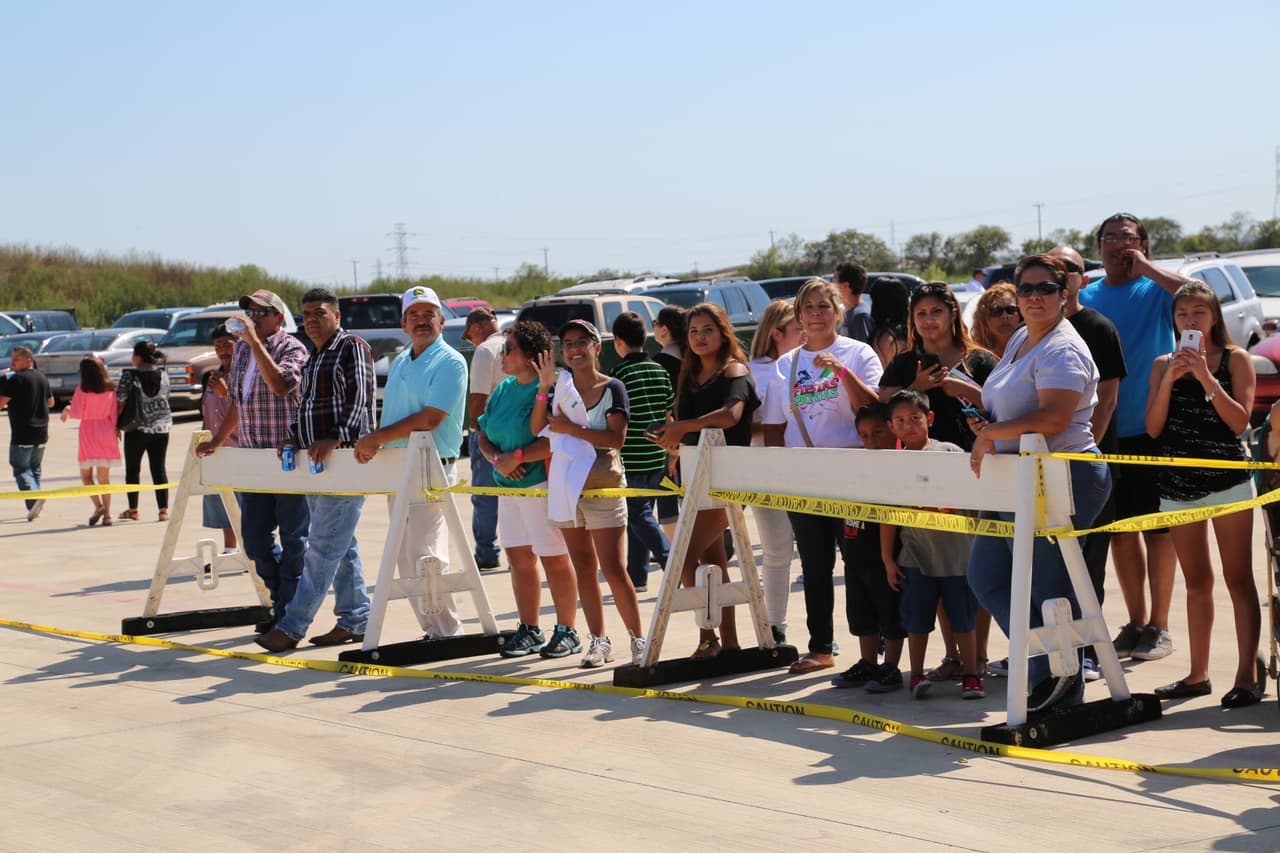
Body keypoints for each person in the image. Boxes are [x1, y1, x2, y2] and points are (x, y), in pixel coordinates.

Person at [967, 253, 1112, 713]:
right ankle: (1046, 667)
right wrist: (988, 423)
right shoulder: (1020, 340)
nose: (1033, 297)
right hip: (1018, 476)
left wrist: (993, 432)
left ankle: (1066, 686)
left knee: (1049, 589)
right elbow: (1014, 408)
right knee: (987, 576)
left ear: (1064, 293)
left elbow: (1054, 417)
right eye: (1025, 289)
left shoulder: (1062, 347)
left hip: (1062, 475)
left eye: (1044, 288)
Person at [1079, 213, 1194, 663]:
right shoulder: (1088, 295)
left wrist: (1144, 266)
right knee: (1122, 533)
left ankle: (1161, 625)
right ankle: (1137, 620)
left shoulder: (1154, 289)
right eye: (1110, 238)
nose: (1118, 246)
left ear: (1143, 243)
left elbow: (1193, 295)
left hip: (1151, 427)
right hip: (1104, 430)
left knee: (1157, 531)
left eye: (1127, 238)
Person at [1145, 281, 1262, 707]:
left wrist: (1207, 378)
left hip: (1228, 482)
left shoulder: (1237, 359)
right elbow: (1154, 427)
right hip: (1178, 486)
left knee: (1238, 579)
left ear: (1214, 317)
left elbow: (1239, 422)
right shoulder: (1162, 364)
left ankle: (1247, 674)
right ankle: (1198, 674)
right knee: (1196, 582)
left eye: (1198, 312)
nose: (1190, 321)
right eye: (1182, 314)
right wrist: (1171, 379)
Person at [877, 281, 996, 681]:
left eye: (936, 312)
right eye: (921, 314)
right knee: (940, 568)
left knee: (974, 569)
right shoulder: (904, 362)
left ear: (952, 315)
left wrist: (964, 387)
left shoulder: (979, 360)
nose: (929, 321)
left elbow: (1002, 403)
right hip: (923, 479)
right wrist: (917, 388)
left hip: (974, 470)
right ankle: (953, 658)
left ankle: (976, 659)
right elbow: (884, 403)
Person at [762, 277, 882, 674]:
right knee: (814, 565)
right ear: (799, 316)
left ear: (838, 311)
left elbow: (875, 410)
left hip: (854, 474)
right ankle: (821, 647)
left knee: (860, 562)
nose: (816, 314)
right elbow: (775, 427)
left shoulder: (859, 353)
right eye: (809, 308)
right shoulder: (785, 364)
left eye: (824, 306)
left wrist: (841, 371)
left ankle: (873, 640)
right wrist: (780, 478)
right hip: (806, 477)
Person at [257, 288, 376, 653]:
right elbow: (305, 407)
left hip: (344, 462)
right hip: (316, 465)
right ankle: (355, 619)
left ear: (337, 317)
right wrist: (292, 437)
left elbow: (361, 398)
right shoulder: (312, 358)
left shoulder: (351, 346)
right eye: (306, 313)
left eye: (320, 313)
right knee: (342, 547)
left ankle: (292, 627)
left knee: (322, 549)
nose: (311, 319)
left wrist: (336, 437)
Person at [353, 286, 468, 640]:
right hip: (400, 467)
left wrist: (377, 437)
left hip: (431, 464)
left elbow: (430, 418)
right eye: (414, 316)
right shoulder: (402, 360)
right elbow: (395, 415)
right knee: (403, 557)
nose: (422, 321)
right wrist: (378, 442)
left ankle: (450, 631)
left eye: (428, 314)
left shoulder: (450, 361)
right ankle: (434, 630)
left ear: (441, 320)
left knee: (426, 552)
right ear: (403, 323)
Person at [532, 319, 646, 668]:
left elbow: (616, 440)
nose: (575, 349)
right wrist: (543, 386)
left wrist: (571, 429)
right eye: (568, 344)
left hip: (602, 487)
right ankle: (599, 641)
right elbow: (538, 429)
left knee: (614, 568)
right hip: (567, 487)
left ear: (598, 347)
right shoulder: (559, 386)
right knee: (583, 567)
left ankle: (638, 640)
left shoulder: (613, 387)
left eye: (583, 341)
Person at [649, 303, 759, 657]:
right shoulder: (688, 375)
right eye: (693, 331)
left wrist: (681, 428)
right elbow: (683, 427)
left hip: (730, 482)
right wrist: (672, 444)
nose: (699, 337)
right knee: (715, 566)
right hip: (694, 479)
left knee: (682, 558)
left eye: (707, 330)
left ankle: (708, 637)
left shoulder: (735, 371)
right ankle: (725, 643)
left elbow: (730, 415)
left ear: (723, 331)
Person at [197, 289, 310, 630]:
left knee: (294, 538)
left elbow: (281, 385)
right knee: (255, 539)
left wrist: (254, 342)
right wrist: (217, 439)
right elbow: (236, 403)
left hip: (287, 458)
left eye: (261, 312)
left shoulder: (293, 348)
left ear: (279, 317)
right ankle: (281, 600)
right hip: (253, 461)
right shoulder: (243, 350)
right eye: (249, 312)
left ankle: (287, 611)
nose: (254, 318)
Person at [477, 320, 581, 658]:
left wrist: (518, 456)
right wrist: (497, 459)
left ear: (531, 355)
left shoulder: (550, 387)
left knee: (554, 559)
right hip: (507, 488)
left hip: (541, 485)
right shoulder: (504, 388)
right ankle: (530, 628)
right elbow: (482, 434)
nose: (503, 355)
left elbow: (558, 439)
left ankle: (567, 630)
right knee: (518, 559)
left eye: (510, 349)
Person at [1051, 244, 1127, 682]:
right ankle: (1052, 652)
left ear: (1082, 277)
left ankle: (1090, 653)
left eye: (1069, 271)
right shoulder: (1034, 328)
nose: (1060, 279)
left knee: (1088, 564)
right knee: (1049, 568)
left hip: (1085, 465)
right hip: (1044, 471)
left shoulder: (1097, 327)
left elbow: (1109, 396)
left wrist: (1081, 455)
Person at [881, 390, 983, 700]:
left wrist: (977, 541)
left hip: (959, 556)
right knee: (917, 622)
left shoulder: (951, 453)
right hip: (915, 557)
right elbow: (889, 517)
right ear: (891, 426)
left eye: (915, 418)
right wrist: (888, 560)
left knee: (964, 621)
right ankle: (917, 676)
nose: (909, 424)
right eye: (900, 420)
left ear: (930, 419)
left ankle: (971, 675)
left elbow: (974, 499)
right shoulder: (893, 465)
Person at [830, 404, 906, 693]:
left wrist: (888, 559)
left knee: (890, 613)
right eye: (864, 435)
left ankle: (892, 667)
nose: (871, 441)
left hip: (885, 558)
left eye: (877, 433)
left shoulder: (896, 465)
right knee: (861, 613)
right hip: (855, 553)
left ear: (891, 429)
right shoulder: (855, 467)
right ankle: (868, 662)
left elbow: (891, 514)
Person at [747, 300, 804, 641]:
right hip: (763, 470)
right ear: (776, 334)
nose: (805, 333)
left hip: (805, 470)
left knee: (814, 557)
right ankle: (774, 626)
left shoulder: (809, 363)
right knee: (777, 550)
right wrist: (774, 426)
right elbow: (745, 427)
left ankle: (820, 633)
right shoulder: (753, 371)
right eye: (799, 328)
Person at [610, 311, 674, 592]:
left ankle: (672, 560)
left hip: (632, 458)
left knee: (638, 516)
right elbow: (669, 412)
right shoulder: (660, 370)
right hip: (657, 455)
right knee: (641, 515)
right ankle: (637, 577)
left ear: (618, 341)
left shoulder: (619, 375)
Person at [462, 307, 505, 571]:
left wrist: (473, 428)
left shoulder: (485, 351)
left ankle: (487, 551)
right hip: (520, 432)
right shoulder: (514, 345)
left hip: (489, 432)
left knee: (485, 494)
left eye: (469, 336)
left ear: (476, 328)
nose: (471, 341)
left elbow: (478, 396)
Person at [60, 357, 120, 526]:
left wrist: (67, 408)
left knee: (86, 476)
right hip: (106, 431)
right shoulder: (111, 389)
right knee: (104, 479)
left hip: (88, 432)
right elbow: (113, 414)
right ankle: (107, 515)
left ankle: (98, 505)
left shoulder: (82, 389)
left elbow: (77, 413)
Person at [116, 340, 171, 522]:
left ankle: (133, 510)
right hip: (162, 428)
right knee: (159, 469)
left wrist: (116, 424)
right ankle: (163, 510)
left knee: (132, 470)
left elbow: (120, 401)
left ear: (137, 357)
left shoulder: (129, 376)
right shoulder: (163, 375)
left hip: (136, 428)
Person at [199, 325, 239, 551]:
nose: (222, 350)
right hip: (217, 450)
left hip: (241, 448)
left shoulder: (246, 376)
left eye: (227, 344)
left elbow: (246, 409)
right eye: (217, 346)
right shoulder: (214, 377)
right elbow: (207, 411)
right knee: (225, 504)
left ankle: (253, 554)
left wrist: (226, 392)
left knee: (247, 506)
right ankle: (230, 550)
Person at [652, 305, 687, 541]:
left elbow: (662, 408)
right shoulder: (694, 359)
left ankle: (676, 546)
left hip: (671, 438)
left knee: (666, 499)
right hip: (695, 434)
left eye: (654, 323)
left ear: (664, 329)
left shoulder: (659, 364)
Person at [970, 283, 1021, 357]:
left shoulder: (1034, 351)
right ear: (983, 318)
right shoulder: (973, 356)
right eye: (996, 311)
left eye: (1011, 310)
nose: (1004, 316)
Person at [835, 261, 874, 343]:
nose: (832, 284)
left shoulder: (860, 316)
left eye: (835, 279)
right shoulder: (845, 311)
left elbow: (864, 352)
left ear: (846, 286)